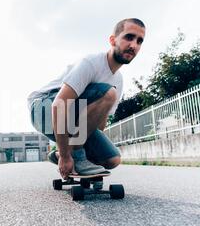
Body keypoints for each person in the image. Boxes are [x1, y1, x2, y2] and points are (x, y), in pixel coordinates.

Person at [27, 18, 146, 184]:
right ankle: (69, 152)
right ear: (112, 40)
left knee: (112, 159)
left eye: (139, 41)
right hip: (44, 108)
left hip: (69, 115)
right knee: (109, 94)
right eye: (129, 37)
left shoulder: (118, 80)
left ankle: (61, 152)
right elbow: (59, 104)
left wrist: (93, 158)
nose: (134, 45)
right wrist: (69, 156)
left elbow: (99, 122)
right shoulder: (92, 63)